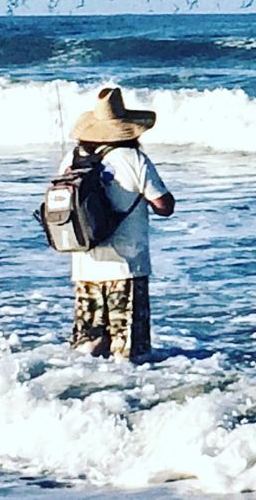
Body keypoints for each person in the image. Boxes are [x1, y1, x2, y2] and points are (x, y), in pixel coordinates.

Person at [63, 86, 175, 360]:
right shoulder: (133, 159)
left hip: (85, 266)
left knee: (87, 350)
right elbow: (165, 206)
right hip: (126, 267)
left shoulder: (71, 160)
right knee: (129, 352)